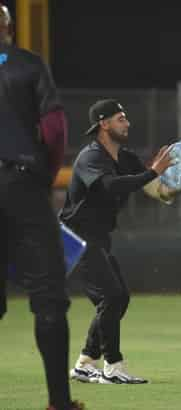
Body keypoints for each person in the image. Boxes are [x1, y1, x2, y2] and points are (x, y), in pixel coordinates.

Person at [0, 4, 84, 410]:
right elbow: (54, 130)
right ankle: (59, 402)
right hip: (21, 185)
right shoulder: (29, 65)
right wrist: (41, 179)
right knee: (48, 296)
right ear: (9, 28)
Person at [60, 99, 176, 385]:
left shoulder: (126, 158)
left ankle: (86, 362)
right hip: (74, 238)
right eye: (120, 118)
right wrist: (152, 172)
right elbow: (111, 185)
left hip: (97, 238)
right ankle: (113, 367)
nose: (127, 123)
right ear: (104, 123)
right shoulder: (91, 156)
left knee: (117, 298)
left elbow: (157, 189)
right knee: (112, 296)